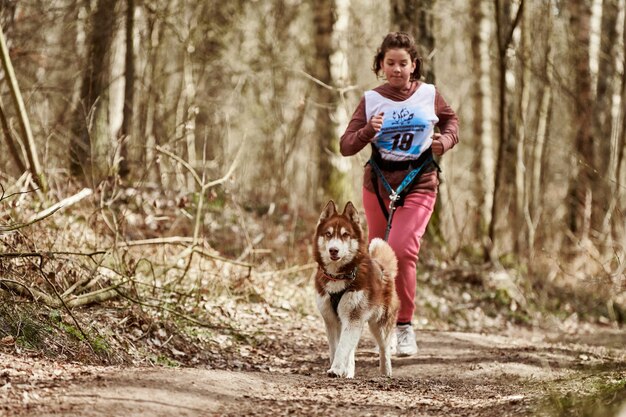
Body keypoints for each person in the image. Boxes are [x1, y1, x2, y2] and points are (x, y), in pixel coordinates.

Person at [339, 32, 459, 356]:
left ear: (414, 65)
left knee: (403, 250)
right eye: (390, 63)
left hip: (419, 180)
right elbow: (346, 145)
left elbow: (452, 122)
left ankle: (405, 326)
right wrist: (368, 131)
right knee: (377, 258)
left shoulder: (430, 95)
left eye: (403, 63)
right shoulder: (371, 99)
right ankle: (383, 326)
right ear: (381, 65)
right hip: (378, 184)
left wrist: (444, 142)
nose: (396, 69)